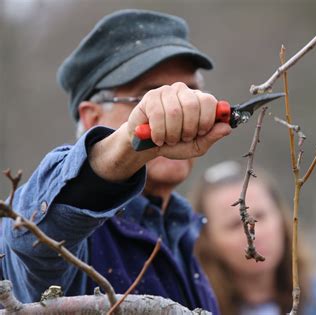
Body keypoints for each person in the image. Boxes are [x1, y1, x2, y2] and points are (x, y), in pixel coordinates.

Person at [0, 9, 232, 313]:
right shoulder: (78, 234)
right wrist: (128, 146)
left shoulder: (188, 229)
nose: (179, 108)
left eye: (191, 91)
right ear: (92, 117)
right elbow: (28, 237)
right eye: (149, 95)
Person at [190, 161, 316, 315]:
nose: (253, 233)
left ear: (281, 218)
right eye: (235, 225)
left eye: (261, 215)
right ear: (208, 240)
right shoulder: (190, 307)